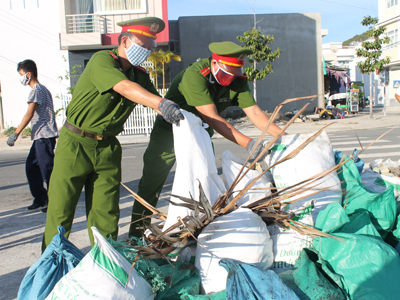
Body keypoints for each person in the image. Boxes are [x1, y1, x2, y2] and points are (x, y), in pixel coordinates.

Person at [42, 17, 184, 251]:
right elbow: (124, 88)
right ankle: (50, 268)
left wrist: (176, 110)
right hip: (75, 143)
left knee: (106, 214)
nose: (147, 52)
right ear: (125, 41)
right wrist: (160, 104)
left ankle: (105, 264)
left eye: (150, 48)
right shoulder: (101, 61)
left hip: (107, 149)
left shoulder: (139, 76)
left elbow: (153, 98)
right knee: (61, 212)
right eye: (142, 46)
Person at [129, 41, 284, 237]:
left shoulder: (237, 78)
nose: (231, 79)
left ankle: (204, 231)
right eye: (227, 74)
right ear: (214, 63)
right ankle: (136, 236)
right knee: (152, 183)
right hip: (170, 131)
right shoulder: (194, 76)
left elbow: (254, 112)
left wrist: (283, 136)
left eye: (235, 74)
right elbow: (214, 118)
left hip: (201, 133)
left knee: (205, 180)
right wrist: (250, 143)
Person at [6, 59, 58, 212]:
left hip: (44, 135)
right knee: (31, 168)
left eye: (21, 75)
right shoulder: (42, 89)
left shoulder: (37, 90)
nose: (21, 78)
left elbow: (29, 114)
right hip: (39, 137)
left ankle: (53, 202)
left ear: (28, 74)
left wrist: (15, 133)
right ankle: (40, 198)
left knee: (47, 170)